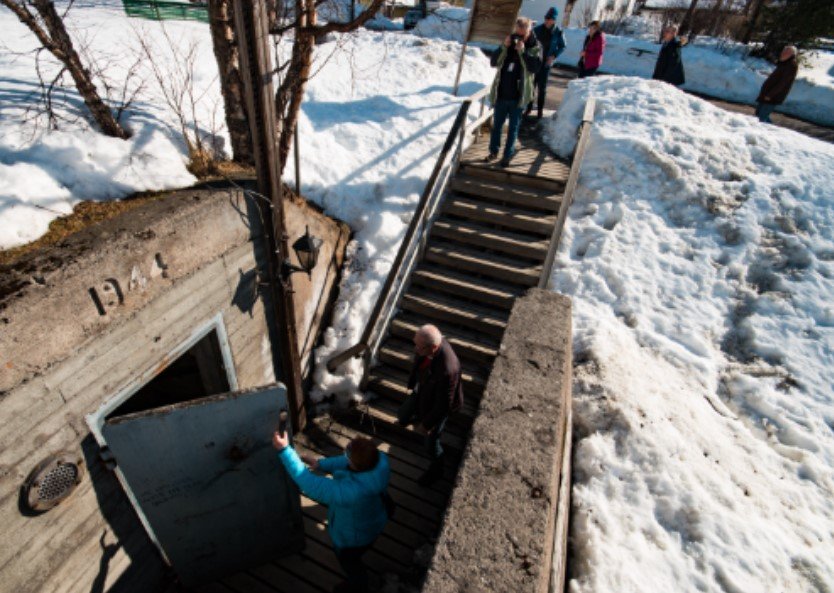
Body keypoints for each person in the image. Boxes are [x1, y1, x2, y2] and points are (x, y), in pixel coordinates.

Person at [273, 431, 390, 593]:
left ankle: (358, 585)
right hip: (374, 520)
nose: (345, 458)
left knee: (350, 563)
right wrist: (321, 464)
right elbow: (346, 462)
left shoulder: (351, 493)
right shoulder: (380, 460)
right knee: (361, 551)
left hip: (353, 539)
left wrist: (285, 451)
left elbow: (310, 483)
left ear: (355, 465)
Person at [396, 324, 464, 486]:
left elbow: (443, 405)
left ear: (433, 347)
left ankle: (437, 469)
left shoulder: (447, 370)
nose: (415, 350)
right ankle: (415, 416)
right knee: (402, 416)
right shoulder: (431, 345)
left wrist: (426, 425)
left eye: (419, 347)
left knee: (431, 443)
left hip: (436, 405)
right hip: (423, 390)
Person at [487, 16, 543, 167]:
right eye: (517, 32)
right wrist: (504, 47)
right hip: (502, 93)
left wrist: (523, 52)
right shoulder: (510, 42)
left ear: (529, 32)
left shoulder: (535, 46)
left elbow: (535, 68)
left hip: (519, 96)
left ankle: (507, 155)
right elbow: (493, 62)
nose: (518, 37)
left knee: (513, 127)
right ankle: (493, 151)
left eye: (522, 34)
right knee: (497, 126)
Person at [525, 7, 566, 119]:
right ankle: (528, 108)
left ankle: (539, 111)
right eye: (546, 18)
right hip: (535, 62)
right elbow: (530, 43)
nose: (547, 20)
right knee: (531, 86)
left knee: (542, 88)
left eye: (550, 19)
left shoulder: (558, 32)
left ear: (554, 20)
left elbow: (563, 46)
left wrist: (554, 56)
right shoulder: (537, 29)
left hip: (546, 64)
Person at [755, 45, 798, 123]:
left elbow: (783, 83)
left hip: (773, 96)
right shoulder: (784, 63)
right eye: (784, 51)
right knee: (759, 114)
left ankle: (768, 131)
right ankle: (770, 130)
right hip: (767, 93)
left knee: (761, 117)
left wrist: (770, 95)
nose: (783, 53)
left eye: (787, 52)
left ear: (792, 54)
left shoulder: (791, 65)